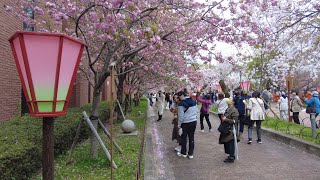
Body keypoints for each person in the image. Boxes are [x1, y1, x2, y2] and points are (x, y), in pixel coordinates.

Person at [176, 89, 198, 159]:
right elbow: (196, 111)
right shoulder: (194, 101)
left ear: (182, 95)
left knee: (184, 138)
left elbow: (181, 116)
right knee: (191, 137)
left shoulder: (181, 104)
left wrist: (179, 125)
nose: (178, 99)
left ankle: (184, 153)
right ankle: (191, 154)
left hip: (185, 123)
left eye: (179, 97)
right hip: (193, 122)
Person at [219, 98, 239, 163]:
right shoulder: (228, 108)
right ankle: (230, 155)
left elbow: (234, 121)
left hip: (231, 130)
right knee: (227, 142)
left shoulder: (234, 110)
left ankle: (231, 157)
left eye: (231, 100)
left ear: (233, 102)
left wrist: (225, 119)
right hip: (226, 129)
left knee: (230, 142)